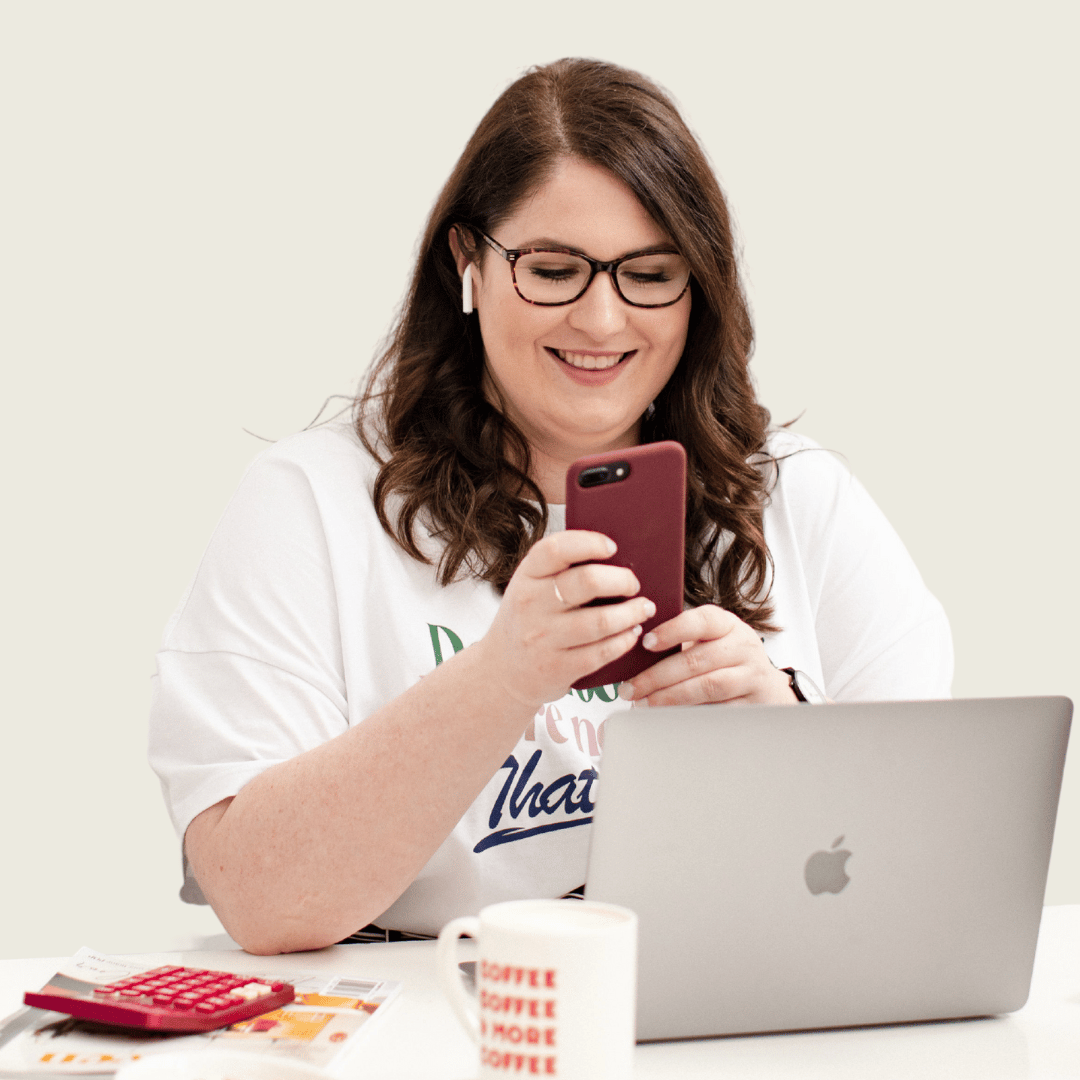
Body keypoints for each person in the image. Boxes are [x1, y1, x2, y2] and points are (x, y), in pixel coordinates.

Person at [149, 58, 952, 955]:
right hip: (441, 1022)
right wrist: (502, 677)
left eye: (650, 273)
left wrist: (782, 736)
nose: (603, 321)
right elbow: (260, 899)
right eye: (555, 268)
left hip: (744, 1010)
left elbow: (938, 867)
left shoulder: (800, 498)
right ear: (469, 264)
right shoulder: (313, 504)